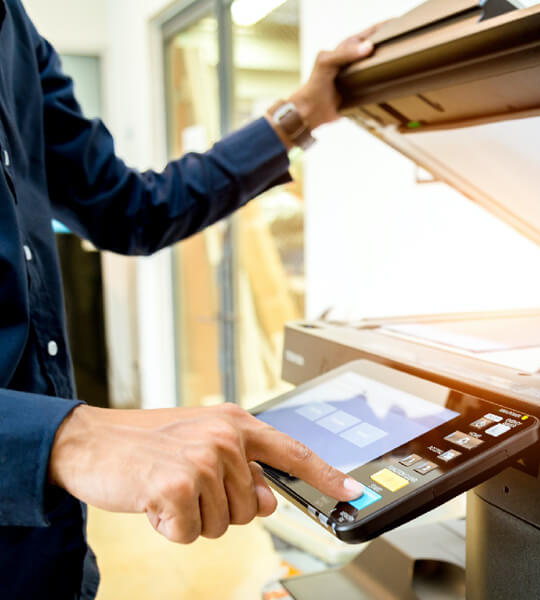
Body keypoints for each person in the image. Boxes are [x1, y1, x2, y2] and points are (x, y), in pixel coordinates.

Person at [0, 0, 376, 598]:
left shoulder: (12, 30)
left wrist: (299, 114)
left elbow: (130, 209)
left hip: (47, 549)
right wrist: (61, 438)